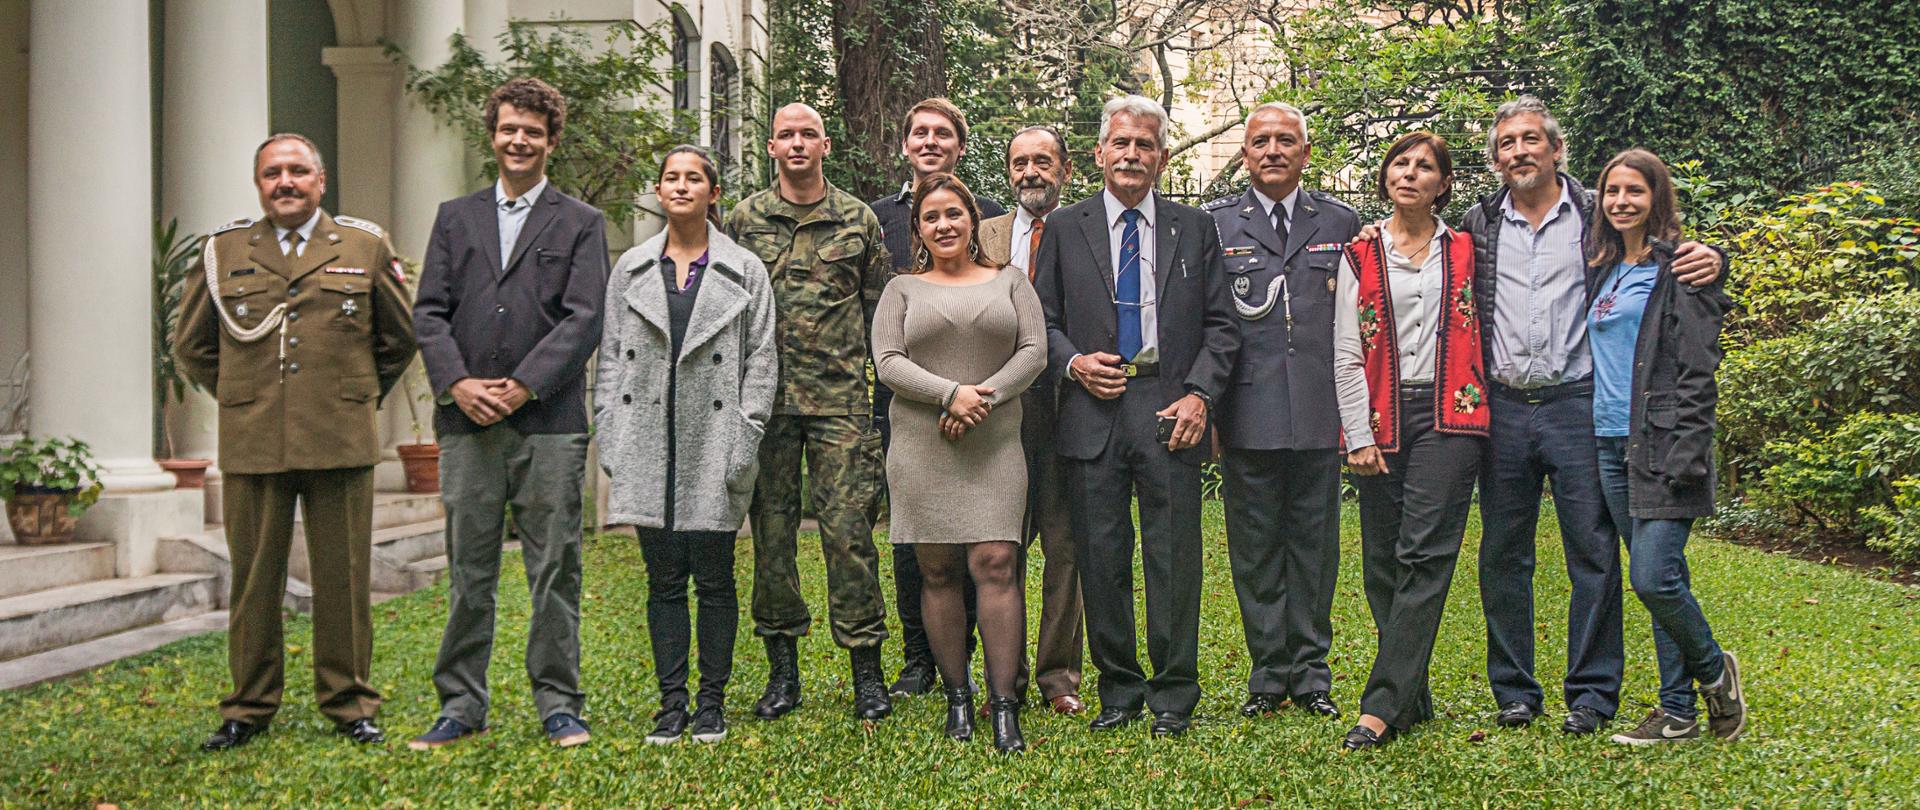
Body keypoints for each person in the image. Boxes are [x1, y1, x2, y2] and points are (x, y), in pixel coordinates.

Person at [1460, 96, 1722, 736]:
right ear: (1495, 159)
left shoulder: (1593, 214)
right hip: (1503, 407)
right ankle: (1515, 692)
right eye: (1506, 144)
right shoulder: (1479, 221)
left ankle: (1592, 696)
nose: (1519, 151)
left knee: (1594, 555)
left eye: (1530, 139)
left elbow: (1662, 257)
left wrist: (1715, 257)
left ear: (1556, 148)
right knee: (1503, 556)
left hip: (1579, 405)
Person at [174, 133, 416, 751]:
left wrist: (356, 395)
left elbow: (399, 337)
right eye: (272, 173)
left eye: (298, 171)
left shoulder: (364, 245)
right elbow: (193, 345)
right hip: (254, 440)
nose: (285, 182)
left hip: (340, 436)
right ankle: (248, 707)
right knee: (254, 582)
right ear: (259, 184)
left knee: (344, 579)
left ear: (320, 180)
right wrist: (243, 395)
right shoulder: (224, 250)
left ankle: (350, 703)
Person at [408, 78, 609, 750]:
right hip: (467, 424)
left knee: (555, 569)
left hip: (549, 424)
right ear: (492, 136)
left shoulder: (580, 222)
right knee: (469, 569)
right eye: (509, 129)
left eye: (532, 131)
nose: (519, 140)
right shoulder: (454, 218)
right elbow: (429, 311)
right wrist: (457, 383)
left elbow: (584, 318)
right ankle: (461, 703)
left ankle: (559, 703)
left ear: (551, 141)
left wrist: (524, 385)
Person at [1032, 95, 1240, 738]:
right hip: (1091, 406)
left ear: (1162, 158)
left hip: (1168, 405)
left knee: (1174, 556)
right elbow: (1042, 320)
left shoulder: (1194, 227)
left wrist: (1200, 395)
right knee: (1101, 556)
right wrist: (1073, 365)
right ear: (1099, 153)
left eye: (1144, 145)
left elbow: (1222, 326)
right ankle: (1118, 689)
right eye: (1120, 143)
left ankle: (1174, 692)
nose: (1131, 154)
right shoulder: (1064, 227)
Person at [596, 146, 778, 745]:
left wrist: (745, 435)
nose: (681, 186)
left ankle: (711, 704)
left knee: (716, 579)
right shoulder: (631, 268)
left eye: (693, 178)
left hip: (715, 443)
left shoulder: (744, 269)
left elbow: (761, 361)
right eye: (671, 178)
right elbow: (610, 358)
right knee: (664, 581)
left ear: (713, 192)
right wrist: (610, 431)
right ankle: (671, 704)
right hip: (647, 441)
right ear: (658, 190)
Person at [727, 102, 894, 722]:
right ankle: (783, 673)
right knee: (771, 540)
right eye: (786, 135)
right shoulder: (744, 219)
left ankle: (867, 672)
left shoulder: (858, 219)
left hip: (840, 403)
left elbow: (881, 312)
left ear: (825, 145)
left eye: (808, 134)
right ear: (772, 147)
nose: (797, 143)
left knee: (850, 537)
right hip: (764, 404)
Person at [1578, 150, 1748, 745]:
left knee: (1653, 578)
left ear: (1657, 198)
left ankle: (1714, 672)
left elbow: (1700, 372)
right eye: (1612, 191)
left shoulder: (1682, 270)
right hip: (1609, 443)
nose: (1621, 201)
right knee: (1662, 576)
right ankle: (1678, 711)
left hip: (1664, 443)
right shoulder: (1604, 267)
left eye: (1635, 191)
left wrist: (1689, 452)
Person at [873, 173, 1047, 751]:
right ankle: (958, 698)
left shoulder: (1010, 281)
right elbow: (888, 362)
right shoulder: (901, 290)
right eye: (931, 217)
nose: (944, 224)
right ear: (918, 229)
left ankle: (1005, 704)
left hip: (994, 442)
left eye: (954, 213)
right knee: (939, 570)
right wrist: (950, 395)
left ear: (973, 220)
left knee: (996, 562)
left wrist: (980, 401)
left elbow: (1034, 352)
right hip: (922, 444)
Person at [1203, 102, 1360, 722]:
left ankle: (1312, 673)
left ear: (1306, 152)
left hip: (1319, 410)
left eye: (1285, 141)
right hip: (1247, 411)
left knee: (1315, 550)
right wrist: (1211, 408)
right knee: (1256, 549)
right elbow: (1208, 324)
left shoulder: (1341, 221)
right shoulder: (1218, 224)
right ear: (1245, 154)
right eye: (1261, 141)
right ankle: (1268, 673)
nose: (1273, 150)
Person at [1332, 132, 1488, 750]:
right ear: (1385, 176)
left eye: (1425, 167)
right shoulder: (1359, 253)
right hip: (1382, 416)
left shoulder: (1469, 248)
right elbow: (1346, 351)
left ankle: (1379, 708)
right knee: (1382, 563)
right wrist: (1357, 433)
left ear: (1443, 184)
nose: (1410, 173)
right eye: (1400, 163)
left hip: (1451, 416)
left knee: (1424, 555)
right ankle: (1411, 696)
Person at [867, 98, 1008, 697]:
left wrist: (974, 397)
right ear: (905, 145)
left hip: (983, 404)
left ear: (960, 146)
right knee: (915, 538)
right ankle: (920, 658)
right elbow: (872, 313)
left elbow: (1006, 313)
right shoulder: (877, 218)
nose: (930, 141)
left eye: (942, 133)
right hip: (907, 404)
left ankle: (972, 652)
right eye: (919, 132)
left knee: (983, 535)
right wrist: (933, 395)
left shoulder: (992, 217)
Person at [979, 125, 1087, 715]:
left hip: (1068, 409)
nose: (1030, 173)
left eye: (1042, 161)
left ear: (1065, 170)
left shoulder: (1083, 230)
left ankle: (1058, 678)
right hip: (1000, 413)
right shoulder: (983, 235)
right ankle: (1005, 675)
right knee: (1001, 547)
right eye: (1020, 162)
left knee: (1065, 548)